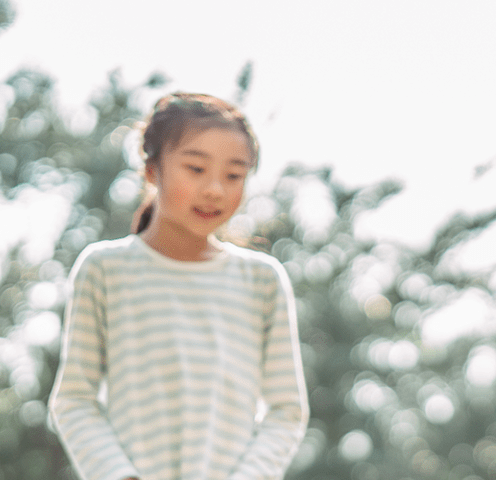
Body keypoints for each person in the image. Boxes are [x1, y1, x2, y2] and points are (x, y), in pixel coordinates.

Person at [50, 93, 306, 480]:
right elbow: (73, 401)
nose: (215, 190)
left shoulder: (262, 280)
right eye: (196, 168)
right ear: (153, 170)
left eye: (234, 175)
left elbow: (287, 411)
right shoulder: (104, 270)